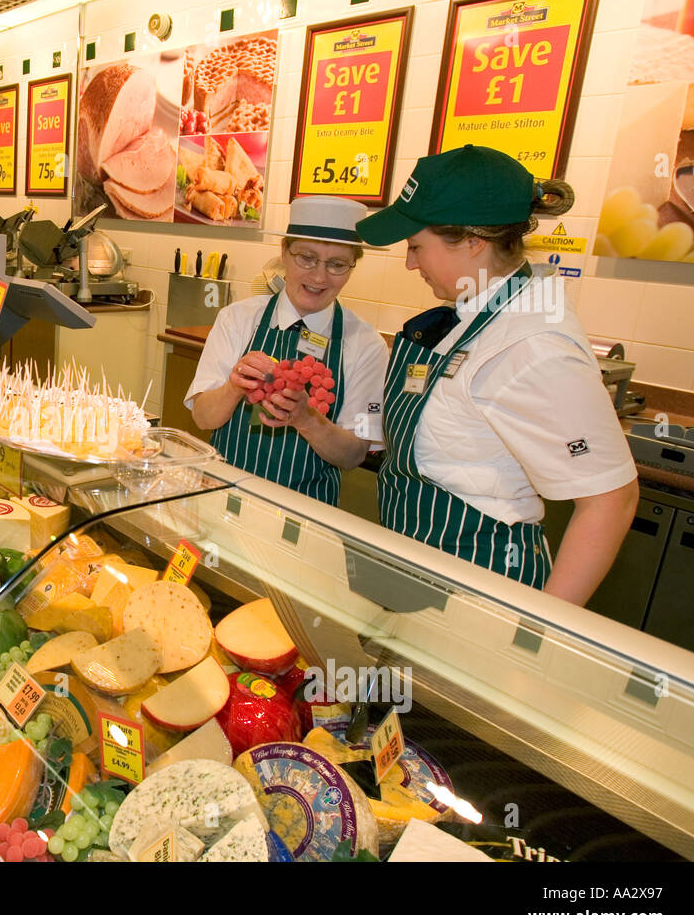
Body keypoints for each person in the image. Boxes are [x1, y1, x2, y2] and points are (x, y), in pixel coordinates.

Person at [356, 145, 638, 604]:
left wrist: (539, 631)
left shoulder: (532, 345)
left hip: (481, 585)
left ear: (472, 242)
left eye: (415, 247)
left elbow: (611, 500)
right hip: (417, 567)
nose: (410, 264)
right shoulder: (472, 315)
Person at [185, 196, 389, 505]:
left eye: (336, 264)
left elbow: (354, 454)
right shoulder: (238, 319)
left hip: (306, 517)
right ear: (284, 252)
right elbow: (202, 417)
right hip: (223, 500)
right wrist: (234, 387)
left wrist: (305, 418)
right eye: (306, 258)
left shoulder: (366, 345)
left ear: (352, 266)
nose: (319, 277)